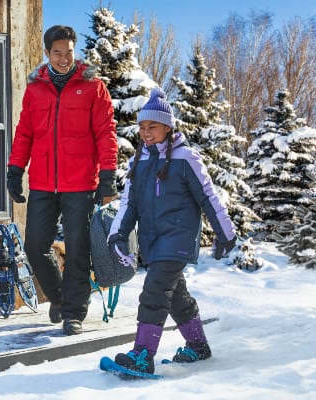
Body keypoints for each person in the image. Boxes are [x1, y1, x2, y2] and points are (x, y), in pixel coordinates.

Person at [106, 87, 237, 375]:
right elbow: (129, 205)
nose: (146, 132)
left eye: (152, 126)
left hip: (178, 239)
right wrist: (117, 236)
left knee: (154, 291)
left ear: (168, 126)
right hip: (153, 242)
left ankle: (143, 354)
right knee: (175, 296)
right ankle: (198, 346)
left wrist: (225, 233)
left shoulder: (186, 158)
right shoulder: (138, 163)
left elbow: (208, 197)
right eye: (142, 127)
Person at [6, 25, 118, 335]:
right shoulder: (36, 89)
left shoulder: (92, 86)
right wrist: (15, 169)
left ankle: (74, 314)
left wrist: (107, 175)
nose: (64, 58)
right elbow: (25, 133)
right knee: (35, 246)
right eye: (58, 53)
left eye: (69, 52)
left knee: (78, 248)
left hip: (81, 182)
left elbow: (105, 133)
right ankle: (58, 297)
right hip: (42, 181)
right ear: (47, 53)